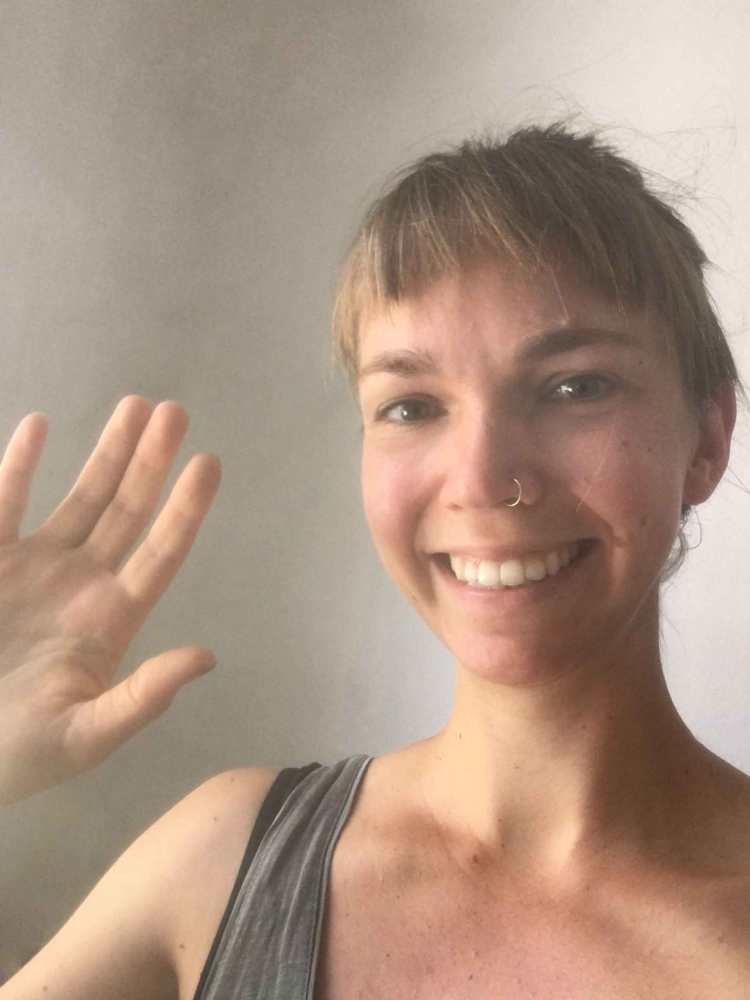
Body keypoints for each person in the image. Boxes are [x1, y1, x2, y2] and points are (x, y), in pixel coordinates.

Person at [1, 121, 749, 998]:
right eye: (412, 406)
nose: (482, 481)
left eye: (575, 387)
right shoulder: (224, 860)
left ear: (706, 440)